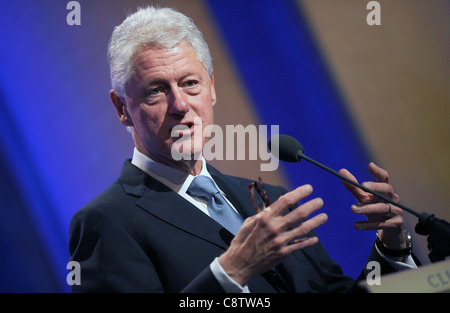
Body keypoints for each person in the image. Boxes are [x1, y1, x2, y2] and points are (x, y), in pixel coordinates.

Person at [68, 6, 417, 293]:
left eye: (190, 83)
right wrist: (230, 272)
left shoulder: (269, 201)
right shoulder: (107, 221)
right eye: (156, 91)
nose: (180, 105)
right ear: (122, 108)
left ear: (212, 89)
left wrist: (392, 247)